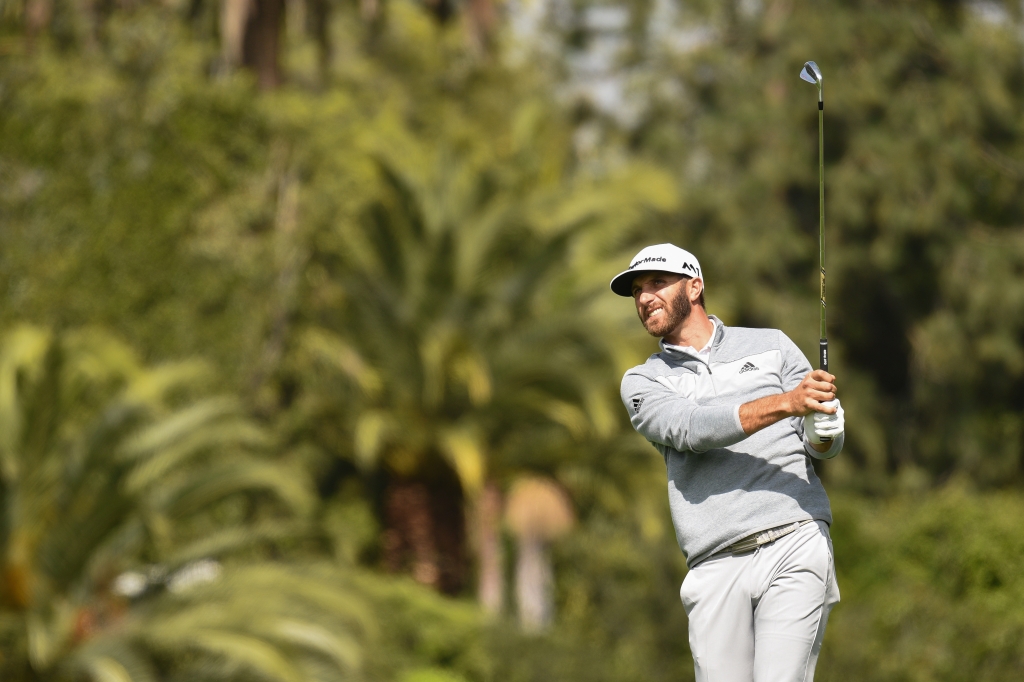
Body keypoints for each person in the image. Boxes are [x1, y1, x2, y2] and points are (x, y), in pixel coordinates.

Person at [610, 243, 845, 682]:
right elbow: (689, 428)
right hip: (715, 562)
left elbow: (819, 443)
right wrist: (785, 403)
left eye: (657, 283)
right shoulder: (643, 381)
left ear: (694, 286)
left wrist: (826, 430)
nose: (644, 298)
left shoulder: (771, 345)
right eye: (637, 291)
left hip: (795, 539)